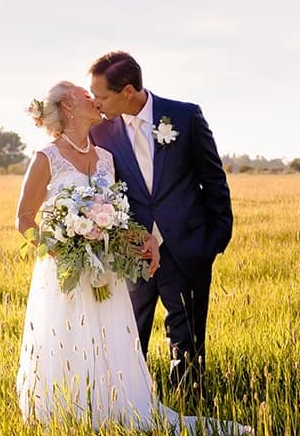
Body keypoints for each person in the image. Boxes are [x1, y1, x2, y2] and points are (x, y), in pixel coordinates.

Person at [13, 81, 249, 436]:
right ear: (68, 106)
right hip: (65, 270)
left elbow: (119, 215)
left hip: (107, 269)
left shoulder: (105, 156)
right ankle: (68, 411)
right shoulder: (47, 157)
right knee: (70, 335)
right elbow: (24, 220)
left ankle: (114, 405)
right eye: (83, 94)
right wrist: (64, 251)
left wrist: (145, 240)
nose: (93, 98)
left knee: (109, 337)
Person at [88, 52, 233, 404]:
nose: (97, 103)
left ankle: (187, 405)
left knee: (188, 335)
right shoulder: (99, 131)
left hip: (187, 245)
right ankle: (129, 403)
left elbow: (213, 178)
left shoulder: (184, 116)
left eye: (102, 96)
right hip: (132, 250)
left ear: (127, 91)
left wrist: (214, 239)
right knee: (130, 328)